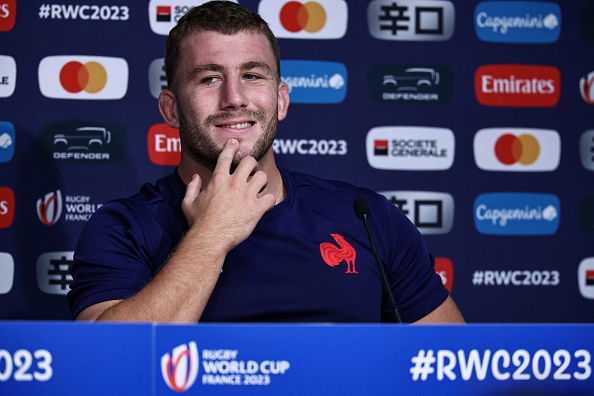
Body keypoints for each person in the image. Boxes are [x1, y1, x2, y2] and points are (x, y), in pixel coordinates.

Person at [67, 1, 464, 324]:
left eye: (253, 75)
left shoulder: (368, 218)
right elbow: (109, 365)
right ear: (170, 109)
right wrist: (212, 235)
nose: (234, 98)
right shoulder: (124, 228)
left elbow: (451, 365)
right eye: (209, 79)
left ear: (281, 100)